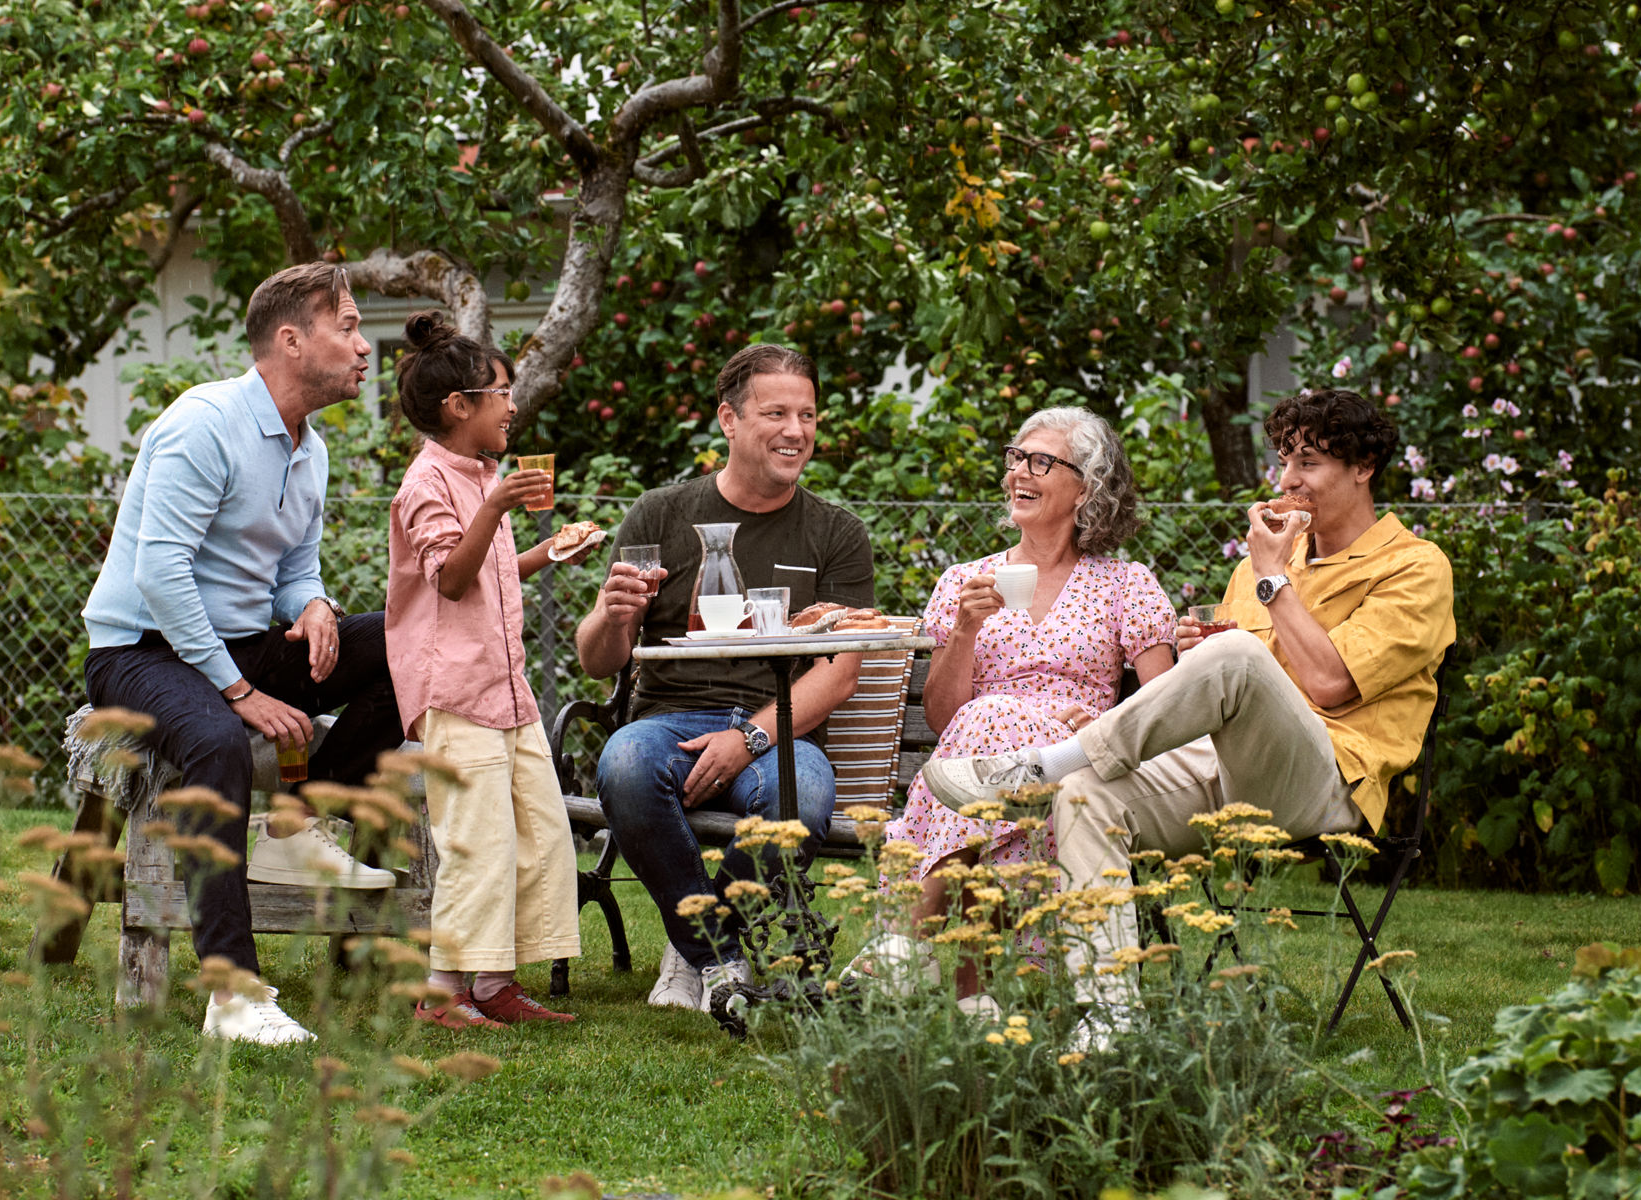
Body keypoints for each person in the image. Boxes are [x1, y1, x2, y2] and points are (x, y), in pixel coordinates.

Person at [922, 387, 1455, 1046]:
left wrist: (1269, 583)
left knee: (1229, 656)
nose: (1288, 481)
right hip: (1219, 765)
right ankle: (1109, 1019)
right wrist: (1209, 659)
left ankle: (1053, 760)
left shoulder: (1413, 568)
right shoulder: (1265, 568)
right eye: (1284, 462)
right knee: (1085, 798)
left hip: (1327, 779)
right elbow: (1231, 678)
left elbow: (1329, 684)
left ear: (1363, 468)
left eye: (1309, 463)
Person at [82, 262, 403, 1045]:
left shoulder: (310, 448)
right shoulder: (206, 423)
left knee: (406, 641)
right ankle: (231, 993)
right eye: (350, 327)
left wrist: (316, 605)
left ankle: (296, 825)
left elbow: (294, 568)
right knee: (221, 742)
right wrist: (237, 691)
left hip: (243, 642)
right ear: (292, 341)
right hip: (140, 651)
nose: (365, 347)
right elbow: (160, 574)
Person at [575, 343, 875, 1014]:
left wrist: (748, 738)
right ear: (729, 421)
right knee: (622, 766)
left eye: (808, 414)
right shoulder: (661, 514)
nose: (796, 431)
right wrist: (611, 614)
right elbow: (600, 659)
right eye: (775, 413)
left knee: (800, 801)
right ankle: (717, 953)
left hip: (780, 730)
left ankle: (694, 948)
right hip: (665, 724)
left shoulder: (836, 533)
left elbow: (841, 674)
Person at [857, 408, 1177, 999]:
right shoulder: (965, 582)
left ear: (1088, 486)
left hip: (1076, 762)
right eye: (1015, 458)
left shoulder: (1126, 584)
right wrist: (964, 634)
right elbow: (941, 720)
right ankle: (970, 989)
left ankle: (905, 937)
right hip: (982, 771)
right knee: (985, 724)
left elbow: (1162, 710)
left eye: (1040, 462)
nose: (1017, 473)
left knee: (988, 723)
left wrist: (1097, 724)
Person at [384, 310, 587, 1029]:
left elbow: (494, 569)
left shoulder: (485, 474)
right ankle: (440, 993)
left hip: (507, 691)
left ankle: (495, 982)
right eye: (502, 390)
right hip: (456, 694)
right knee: (474, 842)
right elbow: (449, 579)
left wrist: (548, 552)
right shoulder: (428, 484)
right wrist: (496, 508)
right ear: (458, 406)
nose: (513, 403)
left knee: (536, 831)